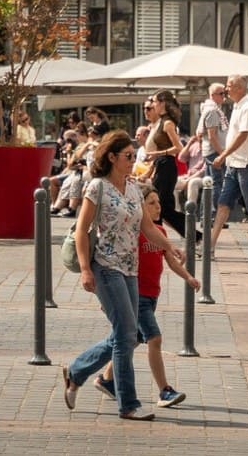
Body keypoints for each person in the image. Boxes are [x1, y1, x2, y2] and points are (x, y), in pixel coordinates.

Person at [62, 129, 170, 421]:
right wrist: (85, 269)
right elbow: (82, 230)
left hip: (130, 269)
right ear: (111, 157)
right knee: (125, 337)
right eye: (128, 156)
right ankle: (128, 404)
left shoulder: (134, 188)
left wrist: (170, 246)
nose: (133, 161)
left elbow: (147, 227)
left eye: (134, 156)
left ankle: (77, 371)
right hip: (105, 267)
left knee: (126, 334)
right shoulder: (96, 187)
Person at [86, 185, 199, 409]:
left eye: (158, 203)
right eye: (151, 203)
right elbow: (115, 263)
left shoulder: (161, 233)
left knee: (131, 339)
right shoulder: (132, 233)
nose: (158, 207)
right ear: (139, 207)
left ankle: (106, 379)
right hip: (134, 295)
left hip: (152, 295)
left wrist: (188, 277)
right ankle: (165, 390)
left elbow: (170, 260)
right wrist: (107, 298)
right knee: (154, 338)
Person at [210, 74, 248, 246]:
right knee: (223, 204)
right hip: (234, 164)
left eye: (228, 85)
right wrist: (227, 157)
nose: (226, 89)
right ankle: (210, 245)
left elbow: (243, 135)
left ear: (239, 88)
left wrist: (223, 155)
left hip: (246, 164)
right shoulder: (237, 106)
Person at [144, 91, 184, 233]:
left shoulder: (167, 123)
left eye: (154, 102)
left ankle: (195, 236)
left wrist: (157, 153)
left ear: (162, 103)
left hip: (167, 166)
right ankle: (194, 236)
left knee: (161, 206)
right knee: (163, 207)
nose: (153, 105)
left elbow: (178, 147)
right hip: (161, 165)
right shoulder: (160, 122)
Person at [195, 82, 228, 191]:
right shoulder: (213, 111)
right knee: (216, 184)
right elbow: (211, 136)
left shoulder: (210, 109)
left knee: (209, 183)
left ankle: (208, 208)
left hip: (212, 152)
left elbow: (200, 134)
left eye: (225, 93)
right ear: (212, 95)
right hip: (215, 153)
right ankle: (215, 208)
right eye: (221, 93)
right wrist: (222, 154)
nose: (224, 96)